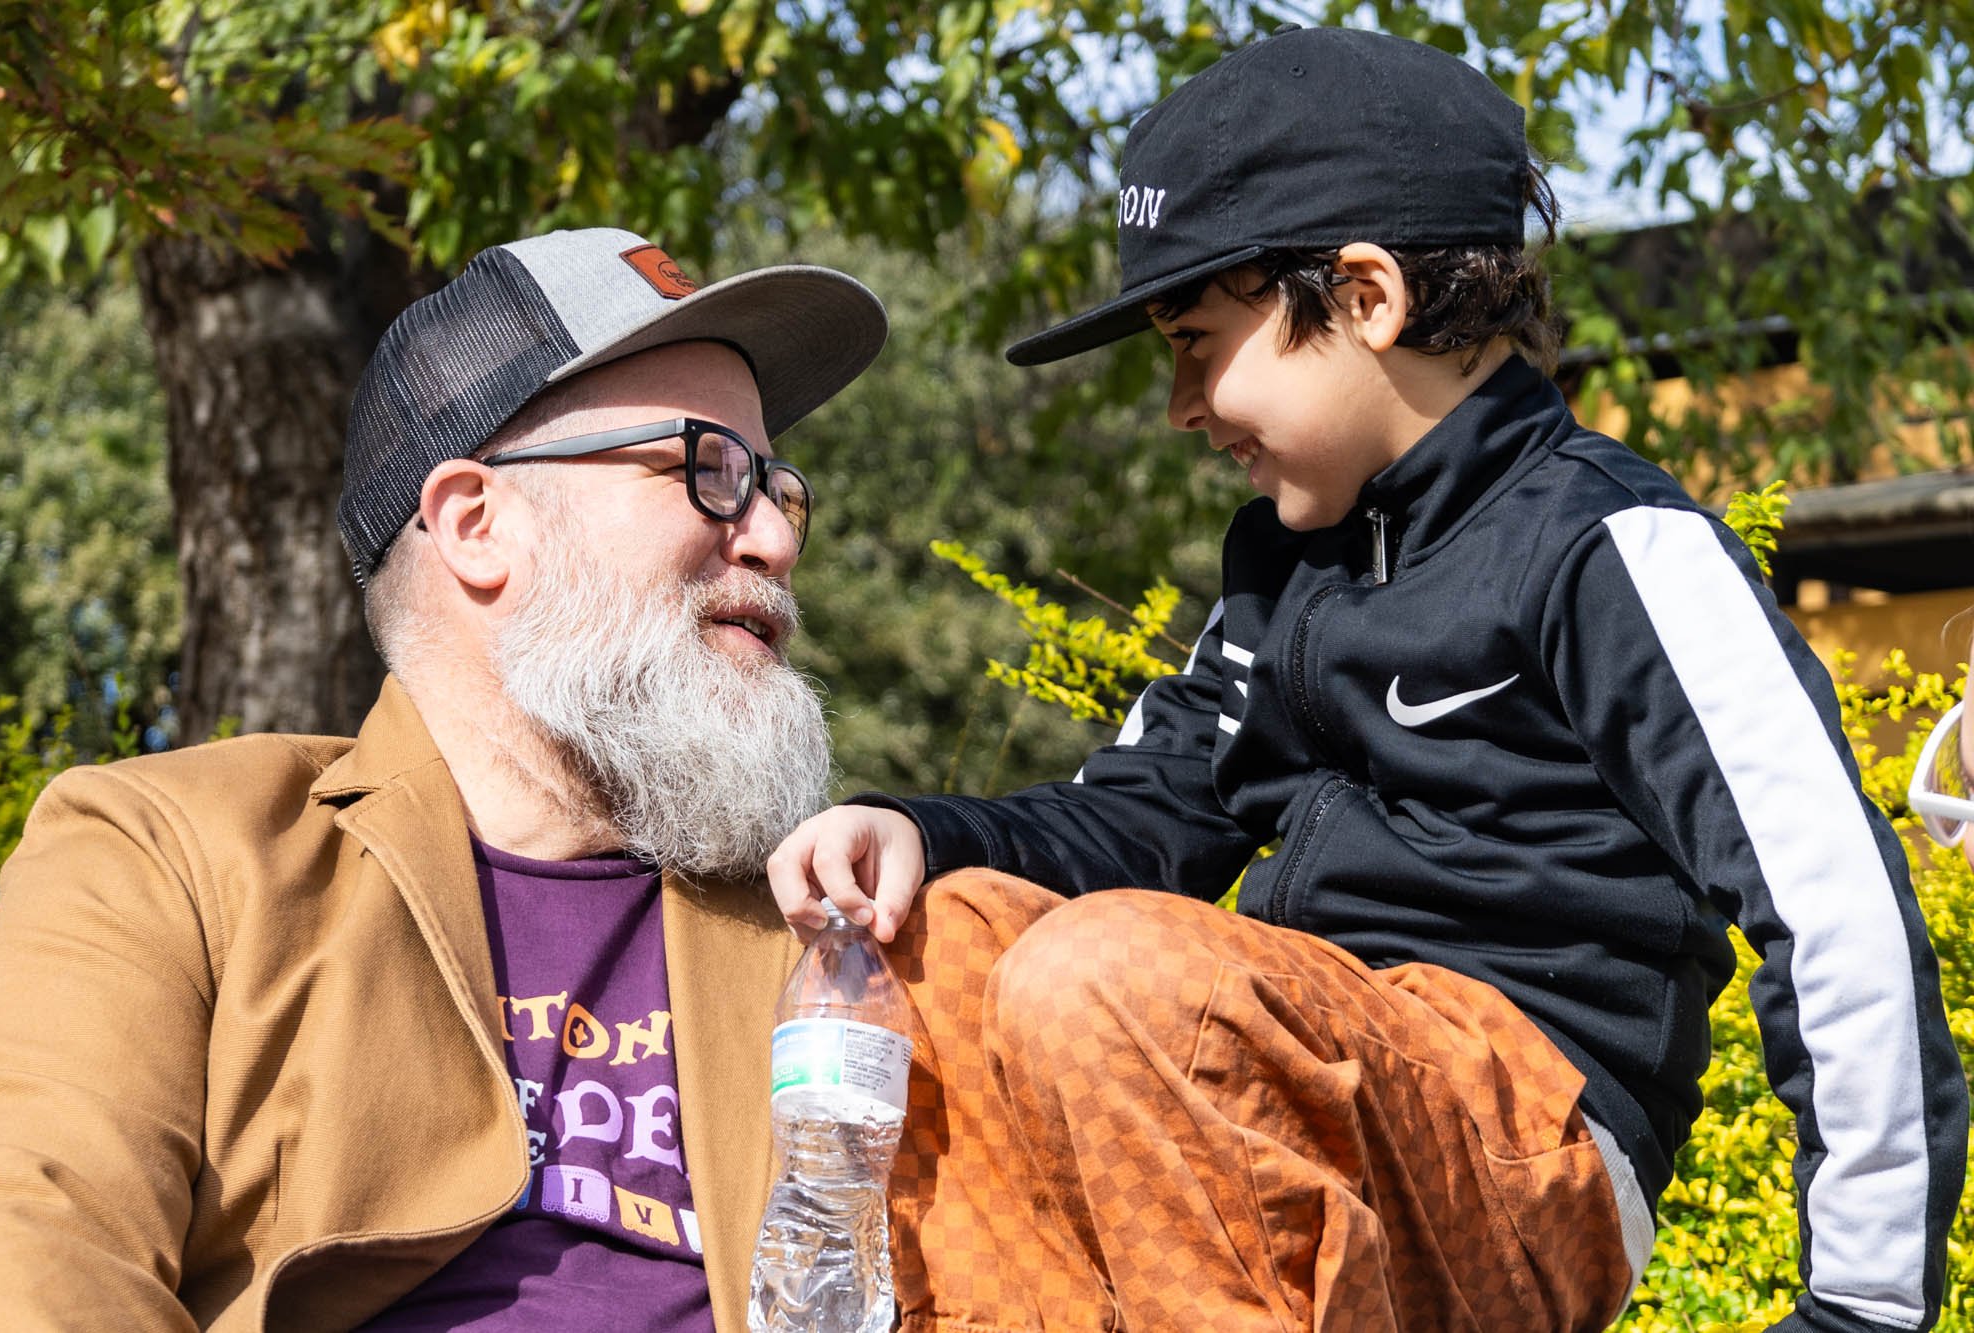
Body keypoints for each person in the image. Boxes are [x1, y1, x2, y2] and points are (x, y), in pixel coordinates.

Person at [768, 26, 1968, 1333]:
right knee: (947, 935)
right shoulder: (1280, 569)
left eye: (1197, 340)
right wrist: (920, 833)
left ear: (1366, 296)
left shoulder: (1603, 546)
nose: (1180, 404)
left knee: (1104, 972)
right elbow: (1144, 815)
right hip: (1306, 1088)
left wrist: (1862, 1306)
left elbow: (1834, 908)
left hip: (1527, 1136)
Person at [0, 228, 886, 1330]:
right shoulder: (165, 855)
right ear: (476, 522)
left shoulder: (827, 924)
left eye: (777, 486)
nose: (773, 539)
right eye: (709, 469)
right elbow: (37, 1257)